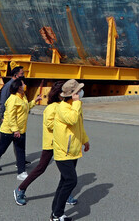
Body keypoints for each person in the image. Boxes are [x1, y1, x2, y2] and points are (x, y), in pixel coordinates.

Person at [13, 81, 78, 207]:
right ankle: (20, 189)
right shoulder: (51, 107)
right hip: (52, 143)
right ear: (60, 94)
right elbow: (50, 124)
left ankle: (65, 194)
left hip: (64, 143)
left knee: (67, 172)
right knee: (41, 168)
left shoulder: (64, 105)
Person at [0, 78, 41, 180]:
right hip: (9, 130)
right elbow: (11, 116)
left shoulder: (22, 96)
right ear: (19, 87)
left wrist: (34, 101)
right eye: (23, 84)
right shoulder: (13, 99)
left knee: (21, 151)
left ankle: (21, 172)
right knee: (1, 150)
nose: (25, 85)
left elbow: (25, 107)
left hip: (20, 130)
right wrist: (15, 130)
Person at [50, 79, 90, 221]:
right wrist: (77, 103)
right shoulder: (63, 108)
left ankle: (55, 213)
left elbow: (79, 126)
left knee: (64, 181)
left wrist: (85, 140)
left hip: (72, 150)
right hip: (63, 151)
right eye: (79, 91)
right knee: (71, 181)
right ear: (73, 94)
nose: (81, 93)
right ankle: (57, 214)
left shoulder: (74, 106)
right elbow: (72, 120)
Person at [0, 66, 25, 171]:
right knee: (1, 141)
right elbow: (3, 102)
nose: (23, 75)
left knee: (17, 139)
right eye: (21, 74)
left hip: (15, 118)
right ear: (16, 75)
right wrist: (2, 116)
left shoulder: (19, 88)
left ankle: (20, 161)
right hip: (6, 117)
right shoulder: (8, 86)